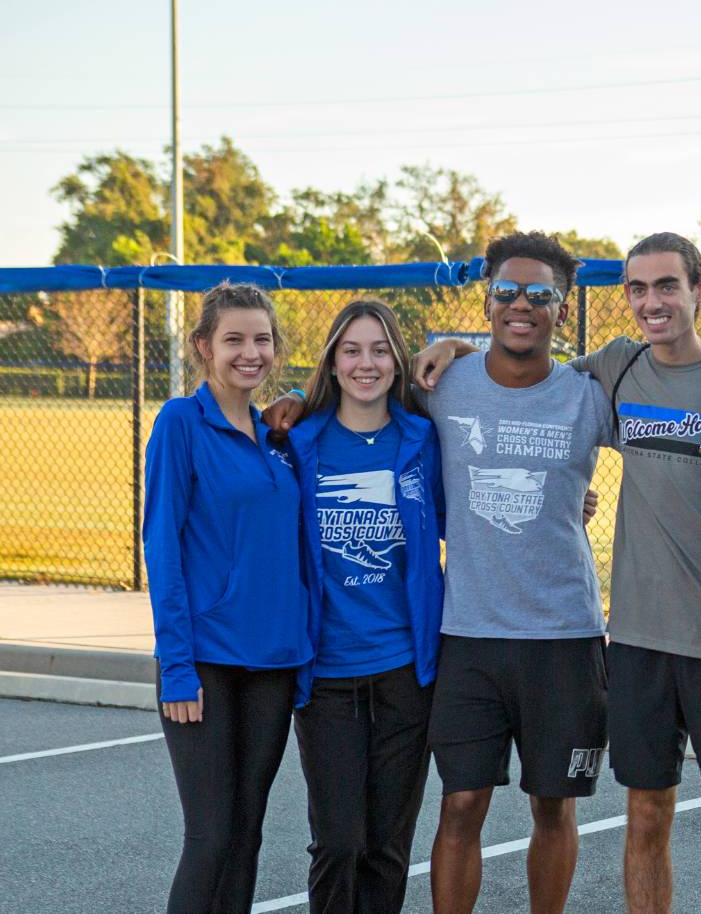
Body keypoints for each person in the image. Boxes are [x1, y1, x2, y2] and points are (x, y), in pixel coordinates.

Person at [414, 232, 701, 914]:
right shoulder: (589, 371)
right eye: (639, 288)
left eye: (667, 285)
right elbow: (506, 365)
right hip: (605, 638)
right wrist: (453, 349)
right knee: (626, 812)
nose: (653, 301)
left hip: (682, 637)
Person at [269, 231, 612, 914]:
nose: (522, 304)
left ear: (564, 308)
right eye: (506, 291)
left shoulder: (589, 393)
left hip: (565, 635)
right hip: (467, 636)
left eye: (540, 294)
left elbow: (677, 413)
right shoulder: (444, 387)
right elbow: (364, 393)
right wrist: (288, 404)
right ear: (484, 301)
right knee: (459, 807)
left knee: (554, 810)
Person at [144, 282, 313, 914]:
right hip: (206, 661)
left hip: (271, 664)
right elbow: (161, 546)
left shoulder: (280, 435)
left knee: (246, 837)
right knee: (210, 837)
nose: (251, 352)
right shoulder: (181, 422)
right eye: (234, 339)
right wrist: (178, 667)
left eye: (262, 339)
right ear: (203, 347)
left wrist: (296, 398)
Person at [284, 299, 445, 914]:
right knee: (340, 841)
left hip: (406, 671)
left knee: (387, 846)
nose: (366, 363)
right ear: (332, 360)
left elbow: (466, 518)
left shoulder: (421, 439)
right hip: (326, 674)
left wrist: (565, 504)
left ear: (397, 361)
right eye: (351, 350)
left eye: (379, 349)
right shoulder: (297, 442)